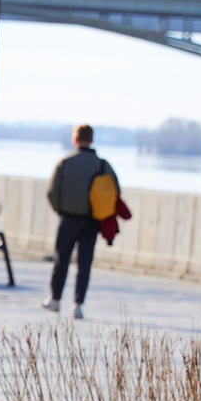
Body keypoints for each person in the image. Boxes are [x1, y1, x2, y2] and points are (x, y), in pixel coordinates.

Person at [44, 124, 116, 318]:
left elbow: (52, 192)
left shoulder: (66, 163)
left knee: (61, 259)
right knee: (84, 263)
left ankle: (55, 299)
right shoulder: (102, 165)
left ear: (74, 139)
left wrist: (61, 209)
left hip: (68, 218)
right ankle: (77, 304)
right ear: (92, 140)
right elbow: (115, 191)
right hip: (92, 221)